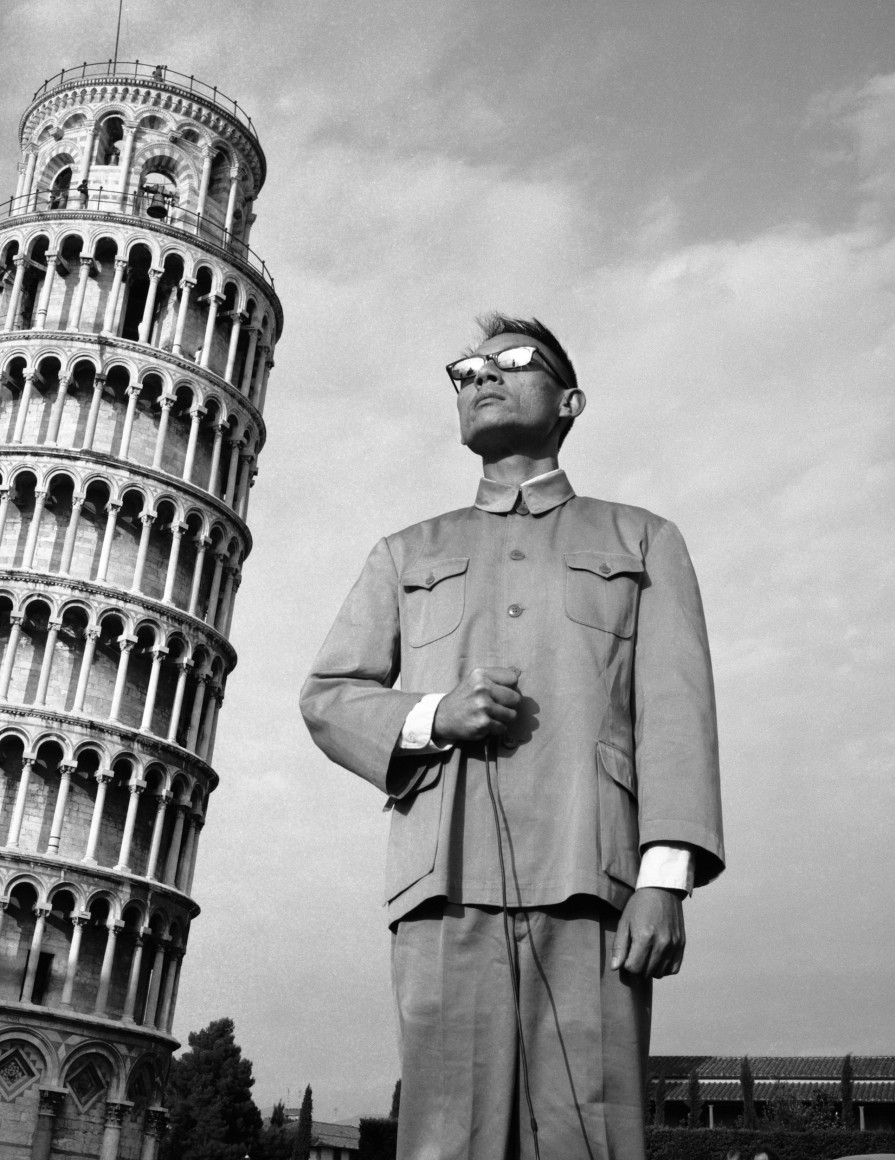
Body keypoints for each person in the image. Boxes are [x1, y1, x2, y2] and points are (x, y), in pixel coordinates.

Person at [299, 316, 725, 1160]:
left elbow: (678, 714)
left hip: (592, 879)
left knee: (590, 1133)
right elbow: (328, 695)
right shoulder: (404, 552)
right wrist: (430, 716)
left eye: (514, 363)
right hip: (442, 883)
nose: (483, 377)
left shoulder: (641, 539)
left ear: (569, 401)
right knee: (444, 1138)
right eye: (464, 371)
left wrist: (664, 879)